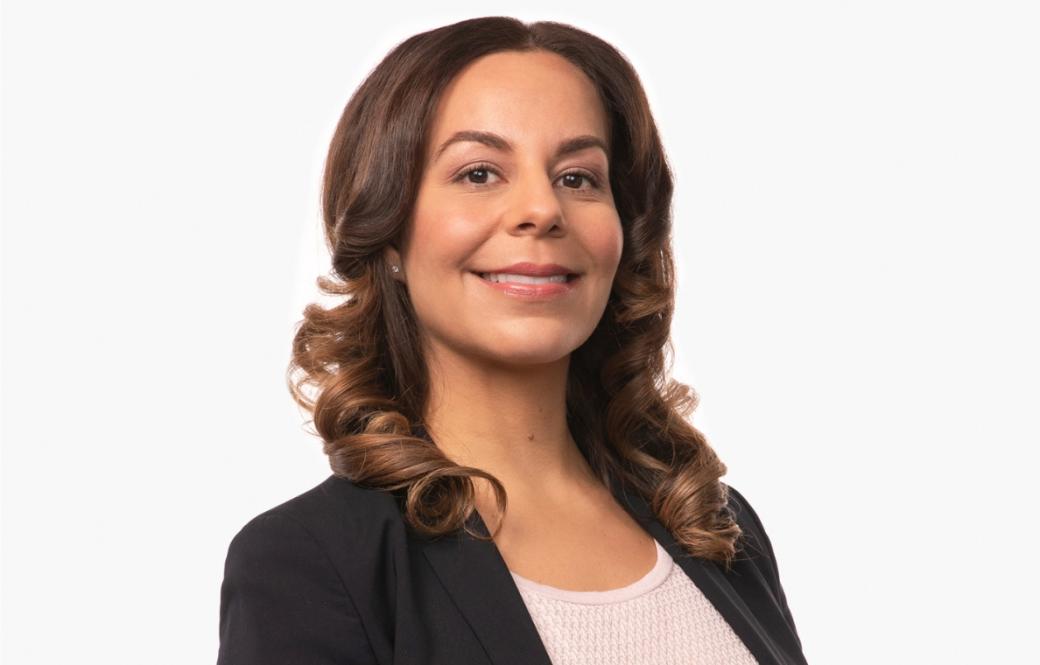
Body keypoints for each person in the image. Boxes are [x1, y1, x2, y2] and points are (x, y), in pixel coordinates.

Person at [216, 16, 806, 665]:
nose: (542, 209)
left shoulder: (717, 527)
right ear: (389, 234)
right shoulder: (312, 562)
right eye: (479, 173)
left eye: (579, 177)